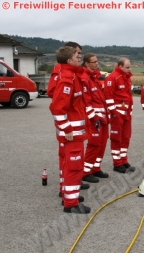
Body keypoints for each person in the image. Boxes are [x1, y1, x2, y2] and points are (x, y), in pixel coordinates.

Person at [49, 46, 91, 214]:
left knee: (68, 165)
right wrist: (67, 129)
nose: (79, 57)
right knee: (73, 167)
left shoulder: (72, 75)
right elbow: (57, 108)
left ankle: (68, 195)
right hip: (72, 135)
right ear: (69, 60)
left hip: (73, 133)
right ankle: (71, 203)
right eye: (76, 55)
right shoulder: (67, 79)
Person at [80, 53, 109, 183]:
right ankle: (86, 172)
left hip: (102, 118)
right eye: (94, 62)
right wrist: (94, 117)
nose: (97, 64)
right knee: (94, 144)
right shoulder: (85, 78)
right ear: (87, 63)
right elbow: (86, 102)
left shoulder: (94, 78)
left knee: (101, 144)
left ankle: (95, 168)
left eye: (97, 61)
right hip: (94, 119)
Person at [104, 58, 136, 173]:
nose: (129, 69)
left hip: (126, 114)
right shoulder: (113, 78)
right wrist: (114, 113)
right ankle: (117, 163)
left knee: (126, 137)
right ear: (120, 66)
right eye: (127, 67)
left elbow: (128, 95)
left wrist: (129, 110)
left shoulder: (126, 78)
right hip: (117, 115)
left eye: (130, 67)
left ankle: (123, 160)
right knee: (116, 138)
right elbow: (108, 97)